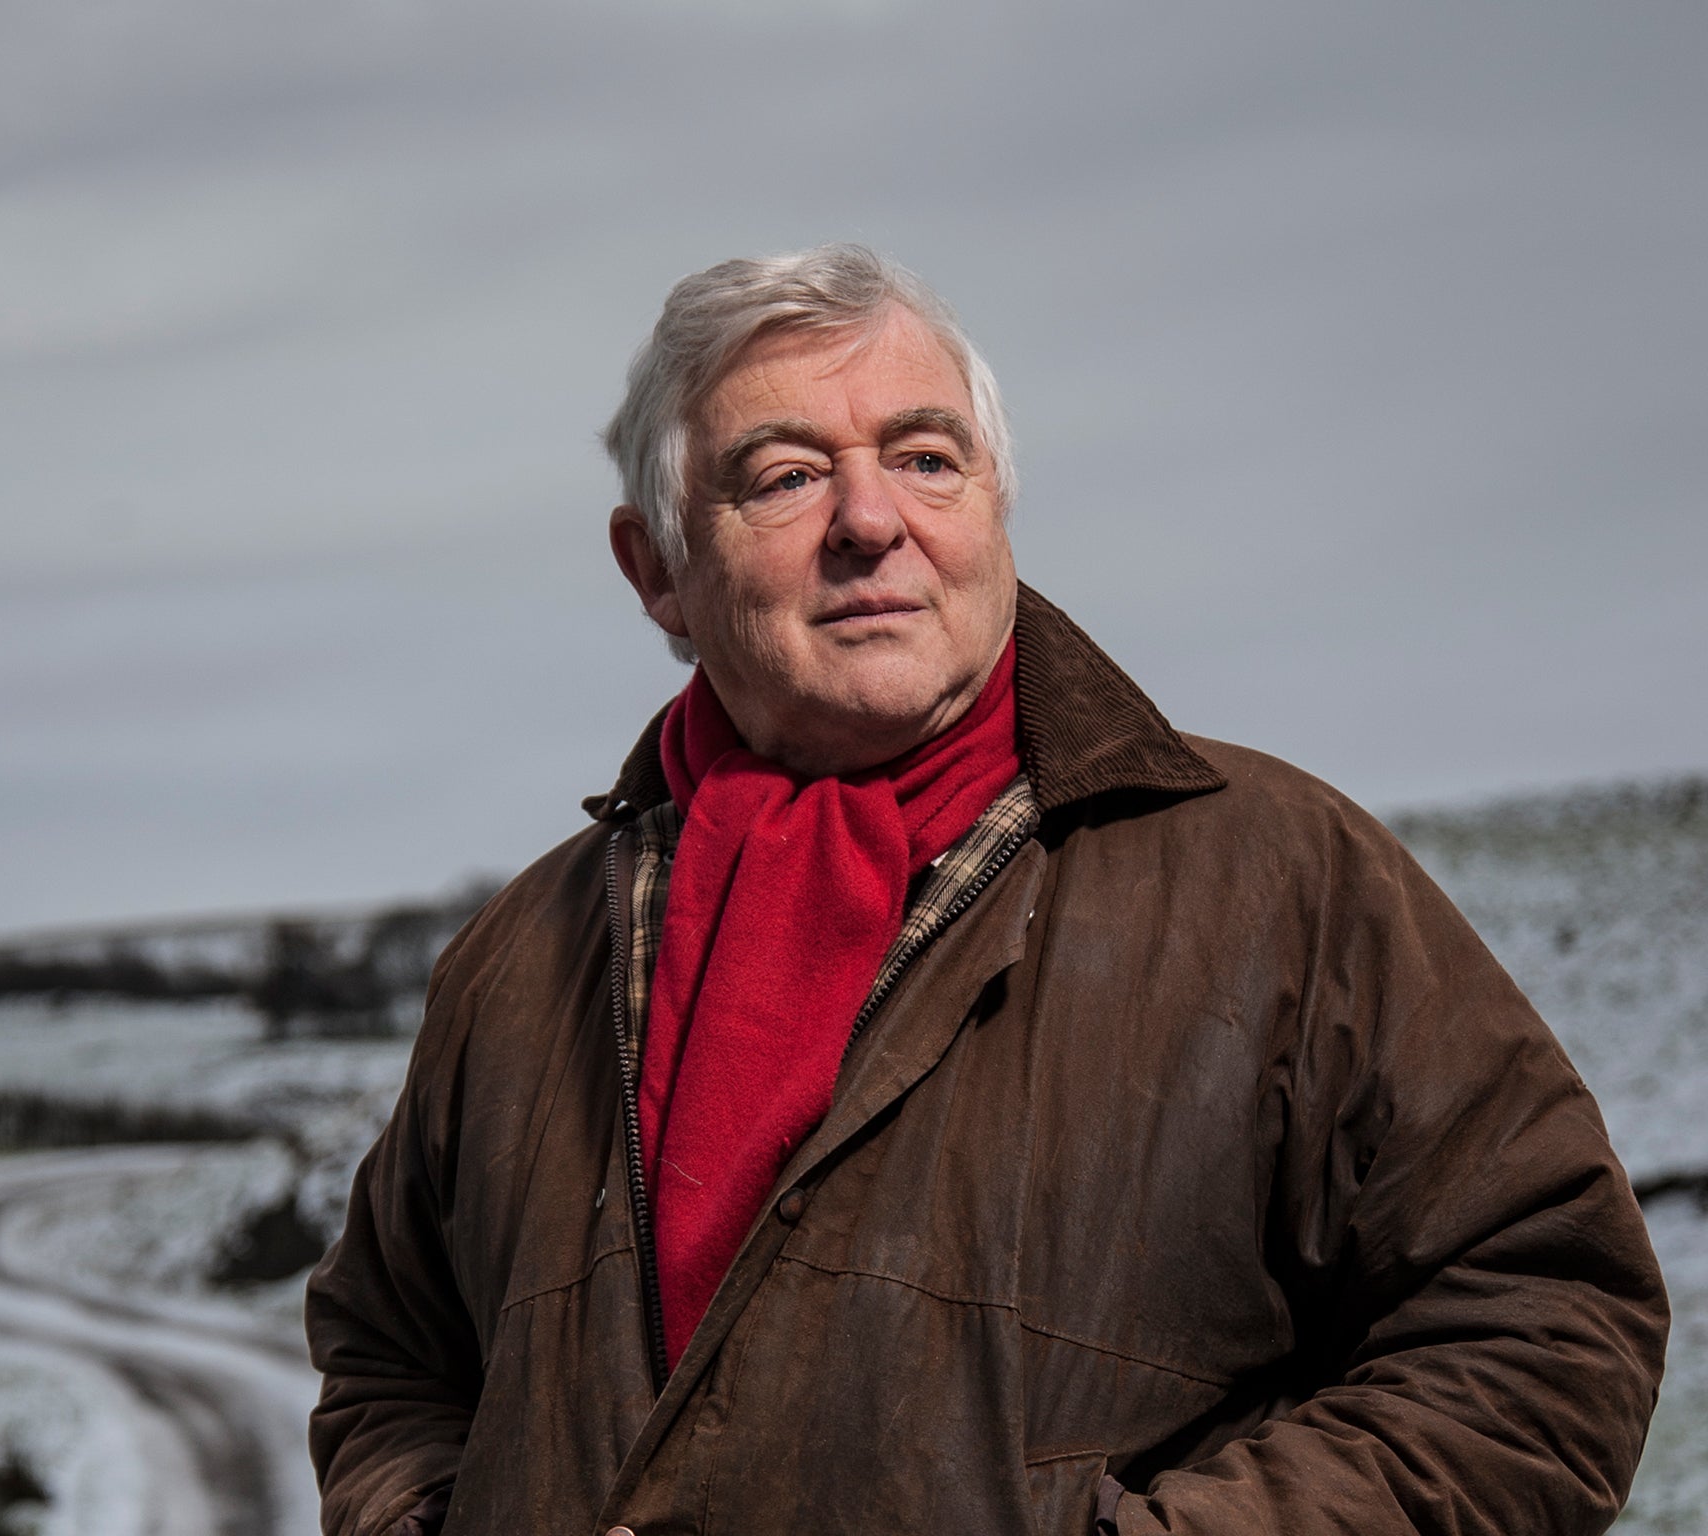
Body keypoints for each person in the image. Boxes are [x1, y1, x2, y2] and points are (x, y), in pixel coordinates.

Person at [304, 245, 1667, 1535]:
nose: (871, 521)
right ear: (657, 569)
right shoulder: (519, 961)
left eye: (925, 457)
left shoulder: (1280, 881)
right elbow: (387, 1352)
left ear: (992, 507)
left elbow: (1543, 1318)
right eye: (784, 477)